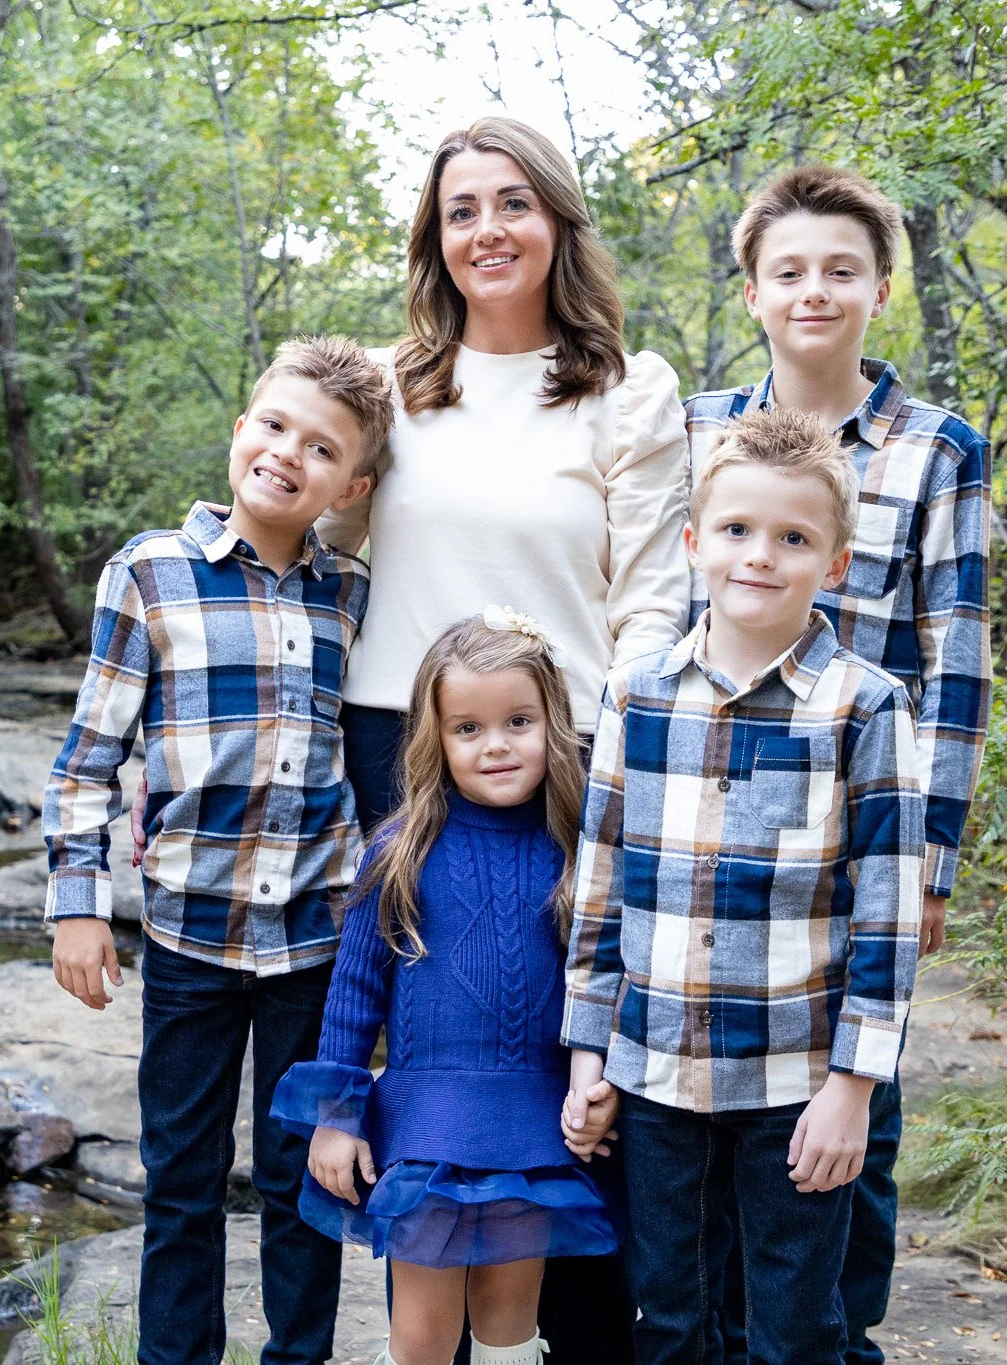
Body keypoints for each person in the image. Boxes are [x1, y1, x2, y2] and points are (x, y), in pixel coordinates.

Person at [321, 114, 691, 1364]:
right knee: (425, 1063)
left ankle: (578, 1342)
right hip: (398, 744)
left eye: (512, 202)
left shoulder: (625, 390)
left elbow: (651, 598)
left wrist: (619, 763)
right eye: (461, 207)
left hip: (567, 756)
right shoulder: (387, 386)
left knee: (567, 1064)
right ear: (434, 233)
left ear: (557, 222)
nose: (487, 228)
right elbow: (310, 523)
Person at [685, 164, 993, 1365]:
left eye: (839, 270)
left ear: (879, 287)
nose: (813, 291)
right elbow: (675, 617)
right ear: (753, 289)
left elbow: (952, 660)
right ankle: (716, 1330)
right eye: (789, 271)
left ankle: (836, 1338)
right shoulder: (706, 429)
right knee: (707, 1101)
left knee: (851, 1088)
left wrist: (928, 864)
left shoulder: (935, 449)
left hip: (858, 827)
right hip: (704, 821)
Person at [41, 335, 396, 1365]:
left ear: (352, 484)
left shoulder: (351, 595)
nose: (289, 454)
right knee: (183, 1182)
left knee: (303, 1179)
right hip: (190, 940)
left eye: (322, 448)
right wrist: (76, 901)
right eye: (275, 426)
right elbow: (86, 758)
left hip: (313, 950)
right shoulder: (150, 573)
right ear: (239, 431)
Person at [562, 406, 929, 1364]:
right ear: (692, 542)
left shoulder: (866, 705)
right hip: (655, 1071)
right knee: (671, 1315)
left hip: (796, 1081)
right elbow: (601, 884)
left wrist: (854, 1086)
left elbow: (887, 913)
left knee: (796, 1325)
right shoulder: (635, 691)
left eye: (793, 537)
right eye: (735, 530)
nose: (758, 556)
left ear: (836, 562)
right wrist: (588, 1056)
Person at [271, 611, 619, 1365]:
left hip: (533, 1120)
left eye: (517, 720)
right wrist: (337, 1117)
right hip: (428, 1123)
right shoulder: (400, 849)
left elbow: (607, 973)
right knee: (423, 1335)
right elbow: (354, 994)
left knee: (509, 1323)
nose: (495, 744)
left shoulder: (578, 848)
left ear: (554, 721)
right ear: (436, 738)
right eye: (468, 728)